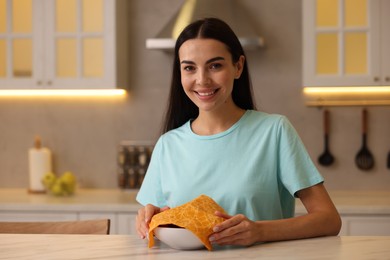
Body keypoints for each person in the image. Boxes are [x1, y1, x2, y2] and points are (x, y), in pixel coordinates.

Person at [136, 17, 341, 247]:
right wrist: (150, 216)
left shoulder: (274, 132)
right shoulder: (168, 144)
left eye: (215, 65)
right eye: (189, 68)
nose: (202, 79)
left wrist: (259, 231)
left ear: (238, 66)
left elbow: (329, 220)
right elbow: (157, 220)